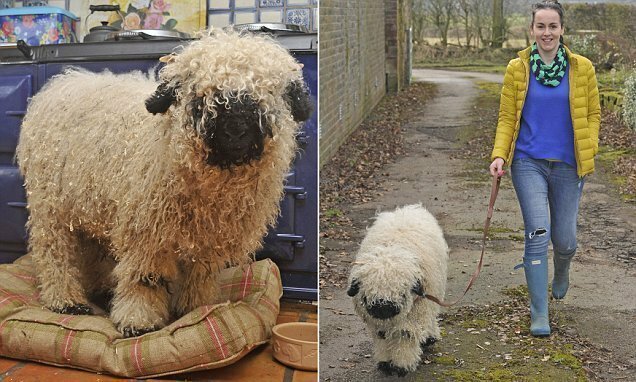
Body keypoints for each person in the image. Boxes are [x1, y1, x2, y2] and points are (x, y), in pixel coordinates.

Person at [489, 0, 600, 337]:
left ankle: (562, 270)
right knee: (538, 232)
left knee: (565, 240)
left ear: (562, 30)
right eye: (541, 26)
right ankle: (539, 313)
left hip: (568, 165)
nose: (547, 32)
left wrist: (590, 147)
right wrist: (499, 155)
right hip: (528, 163)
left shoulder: (582, 68)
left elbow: (594, 114)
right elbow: (508, 117)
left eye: (553, 26)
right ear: (532, 29)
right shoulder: (516, 69)